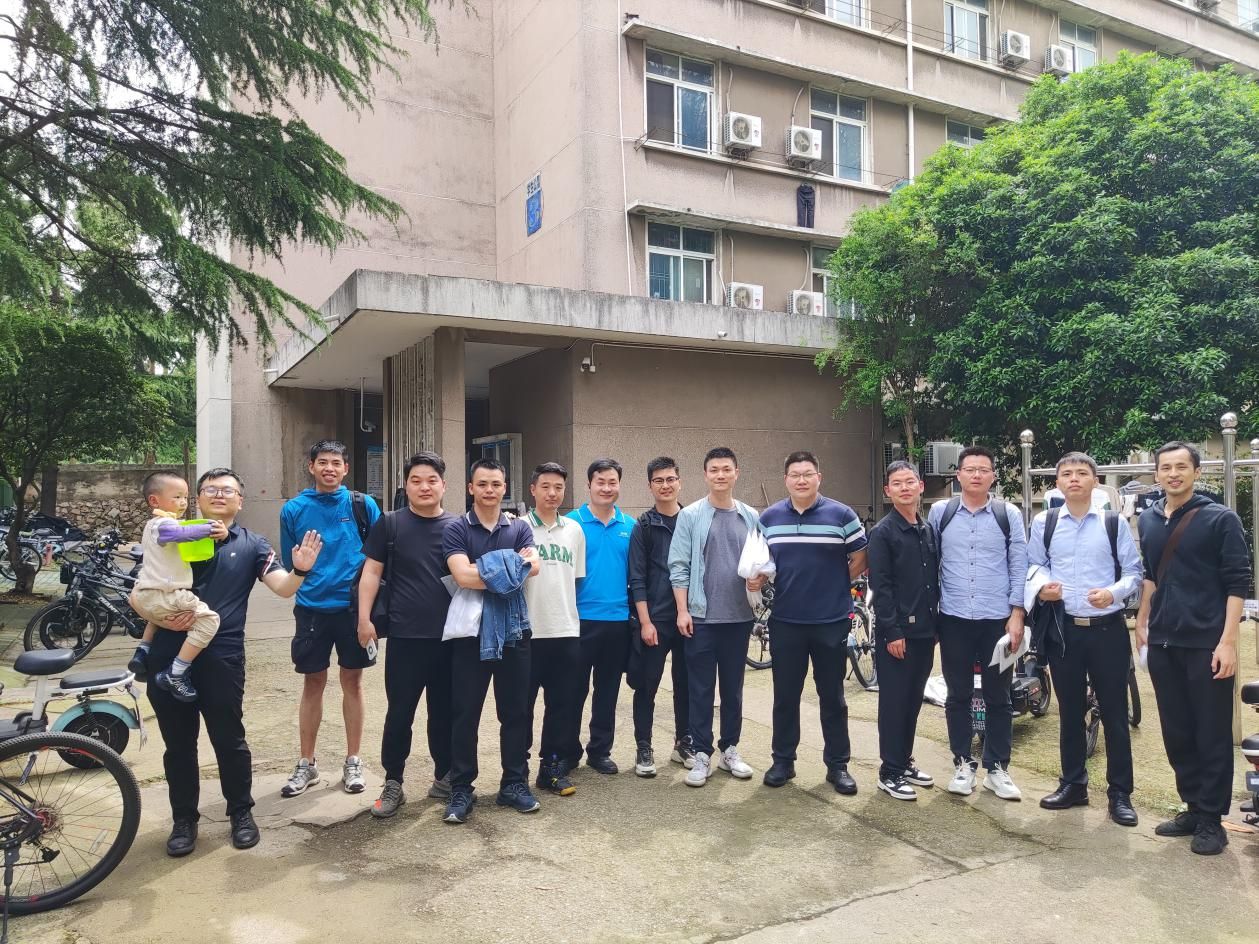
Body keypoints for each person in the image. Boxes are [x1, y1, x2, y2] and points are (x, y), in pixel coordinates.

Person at [147, 467, 322, 857]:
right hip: (168, 652)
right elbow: (143, 588)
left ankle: (241, 813)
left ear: (240, 501)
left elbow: (283, 588)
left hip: (222, 656)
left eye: (228, 490)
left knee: (229, 739)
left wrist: (301, 569)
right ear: (197, 499)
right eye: (210, 489)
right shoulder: (172, 534)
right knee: (178, 744)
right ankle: (184, 820)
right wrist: (158, 617)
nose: (219, 494)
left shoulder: (253, 545)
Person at [1137, 442, 1249, 855]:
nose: (1173, 474)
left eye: (1182, 466)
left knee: (1211, 731)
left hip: (1206, 642)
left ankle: (1211, 819)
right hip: (1163, 641)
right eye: (1165, 467)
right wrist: (1143, 622)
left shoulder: (1220, 518)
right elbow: (1151, 575)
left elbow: (1238, 581)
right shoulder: (1148, 519)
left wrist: (1228, 642)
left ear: (1197, 472)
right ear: (1156, 474)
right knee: (1177, 730)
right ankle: (1192, 806)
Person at [1028, 453, 1142, 826]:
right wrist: (1042, 586)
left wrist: (1113, 593)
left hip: (1107, 629)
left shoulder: (1113, 522)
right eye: (1066, 474)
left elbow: (1134, 571)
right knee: (1070, 711)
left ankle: (1120, 794)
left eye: (1082, 473)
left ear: (1095, 481)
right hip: (1064, 630)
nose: (1074, 479)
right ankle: (1073, 784)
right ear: (1057, 482)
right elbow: (1035, 564)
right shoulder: (1044, 522)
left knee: (1114, 713)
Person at [757, 451, 868, 794]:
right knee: (785, 696)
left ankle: (838, 766)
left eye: (808, 474)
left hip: (831, 620)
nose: (801, 480)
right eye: (795, 474)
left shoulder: (842, 515)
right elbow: (761, 562)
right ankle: (783, 761)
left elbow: (860, 556)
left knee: (832, 696)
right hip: (786, 620)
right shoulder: (769, 518)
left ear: (819, 477)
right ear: (786, 479)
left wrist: (837, 582)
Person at [278, 440, 381, 798]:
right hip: (311, 609)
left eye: (336, 463)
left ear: (346, 468)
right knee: (313, 682)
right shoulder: (293, 509)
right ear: (311, 466)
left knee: (353, 682)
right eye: (322, 462)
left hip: (353, 608)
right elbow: (291, 562)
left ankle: (353, 760)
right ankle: (306, 763)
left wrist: (369, 614)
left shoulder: (362, 504)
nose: (329, 469)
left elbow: (378, 558)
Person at [356, 452, 456, 820]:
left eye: (432, 480)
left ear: (444, 485)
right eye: (416, 480)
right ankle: (393, 782)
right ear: (406, 485)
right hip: (405, 637)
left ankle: (445, 776)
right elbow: (371, 573)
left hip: (450, 639)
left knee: (444, 713)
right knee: (400, 714)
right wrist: (364, 619)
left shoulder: (458, 527)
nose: (424, 487)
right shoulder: (390, 523)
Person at [442, 458, 541, 823]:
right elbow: (462, 577)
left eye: (496, 484)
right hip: (471, 634)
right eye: (482, 484)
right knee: (465, 714)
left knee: (516, 713)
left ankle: (514, 783)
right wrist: (511, 564)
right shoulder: (456, 528)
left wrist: (483, 566)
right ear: (471, 488)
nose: (489, 490)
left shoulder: (519, 527)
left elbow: (535, 567)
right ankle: (461, 789)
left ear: (505, 488)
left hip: (514, 632)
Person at [927, 445, 1028, 801]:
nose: (976, 475)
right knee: (957, 695)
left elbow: (1019, 565)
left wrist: (1017, 614)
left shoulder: (1007, 514)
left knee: (999, 696)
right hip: (953, 618)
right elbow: (930, 563)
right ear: (958, 474)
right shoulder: (941, 512)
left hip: (997, 622)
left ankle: (997, 768)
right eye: (969, 469)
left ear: (993, 476)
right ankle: (962, 763)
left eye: (983, 469)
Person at [669, 447, 760, 788]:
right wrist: (682, 610)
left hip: (739, 617)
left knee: (733, 689)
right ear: (705, 474)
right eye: (714, 470)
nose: (720, 475)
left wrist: (760, 579)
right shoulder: (690, 515)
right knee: (700, 689)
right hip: (701, 618)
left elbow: (761, 561)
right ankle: (701, 754)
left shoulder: (750, 515)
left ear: (736, 473)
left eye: (726, 469)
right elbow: (678, 566)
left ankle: (730, 749)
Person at [866, 460, 939, 801]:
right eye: (897, 483)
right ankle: (889, 771)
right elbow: (880, 587)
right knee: (894, 703)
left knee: (912, 701)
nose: (905, 488)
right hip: (897, 635)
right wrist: (892, 632)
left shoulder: (926, 529)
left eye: (910, 482)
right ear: (888, 491)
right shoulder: (883, 533)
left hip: (926, 631)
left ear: (920, 486)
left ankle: (904, 760)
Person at [127, 472, 223, 701]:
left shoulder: (152, 525)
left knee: (156, 617)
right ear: (154, 501)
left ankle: (143, 651)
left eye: (185, 497)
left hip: (148, 593)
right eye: (177, 497)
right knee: (210, 621)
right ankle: (176, 672)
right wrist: (210, 528)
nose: (183, 502)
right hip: (167, 592)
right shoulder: (163, 524)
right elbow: (177, 533)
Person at [566, 458, 635, 775]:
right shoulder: (571, 524)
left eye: (612, 482)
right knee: (573, 691)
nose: (606, 488)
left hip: (618, 621)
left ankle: (600, 751)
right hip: (579, 620)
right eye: (600, 482)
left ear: (619, 485)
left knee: (607, 691)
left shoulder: (630, 526)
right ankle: (568, 751)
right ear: (589, 484)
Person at [523, 462, 586, 796]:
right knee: (521, 708)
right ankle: (516, 771)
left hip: (565, 630)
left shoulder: (574, 530)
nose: (552, 493)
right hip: (527, 634)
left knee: (561, 706)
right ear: (532, 489)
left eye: (558, 487)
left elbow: (575, 580)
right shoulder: (518, 528)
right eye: (545, 486)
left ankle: (551, 767)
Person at [628, 456, 692, 775]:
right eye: (658, 480)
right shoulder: (644, 525)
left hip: (689, 619)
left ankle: (684, 743)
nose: (665, 485)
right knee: (647, 685)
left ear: (679, 481)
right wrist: (645, 622)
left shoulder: (692, 520)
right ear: (650, 485)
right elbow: (637, 577)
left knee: (687, 685)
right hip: (656, 620)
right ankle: (644, 747)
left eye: (670, 479)